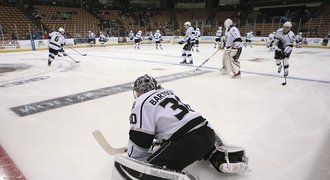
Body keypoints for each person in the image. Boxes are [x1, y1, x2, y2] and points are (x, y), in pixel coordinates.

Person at [121, 74, 249, 176]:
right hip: (208, 132)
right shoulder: (168, 93)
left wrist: (132, 160)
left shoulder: (141, 102)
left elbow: (140, 138)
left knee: (147, 172)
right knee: (197, 143)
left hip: (188, 141)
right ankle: (217, 156)